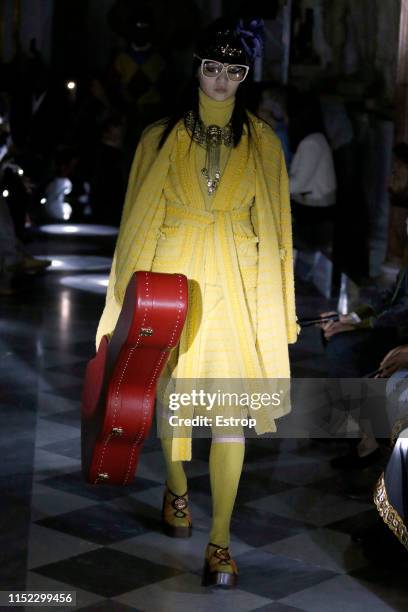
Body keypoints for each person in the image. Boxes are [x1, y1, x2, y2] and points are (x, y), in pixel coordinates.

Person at [96, 21, 298, 588]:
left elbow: (277, 227)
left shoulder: (263, 142)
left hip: (235, 279)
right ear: (195, 67)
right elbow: (137, 219)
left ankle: (221, 542)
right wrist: (124, 301)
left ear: (246, 76)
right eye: (213, 68)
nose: (222, 80)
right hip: (172, 273)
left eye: (234, 71)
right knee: (173, 401)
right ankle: (179, 490)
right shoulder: (159, 137)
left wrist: (274, 304)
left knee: (229, 413)